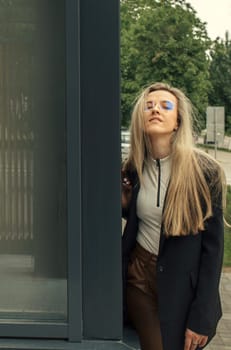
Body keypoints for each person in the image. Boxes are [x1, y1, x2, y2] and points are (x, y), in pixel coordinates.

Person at [121, 82, 225, 350]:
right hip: (140, 278)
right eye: (149, 105)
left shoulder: (206, 173)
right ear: (140, 119)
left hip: (183, 286)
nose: (155, 109)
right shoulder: (132, 168)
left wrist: (202, 315)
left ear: (177, 121)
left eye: (165, 105)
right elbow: (137, 215)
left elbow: (213, 252)